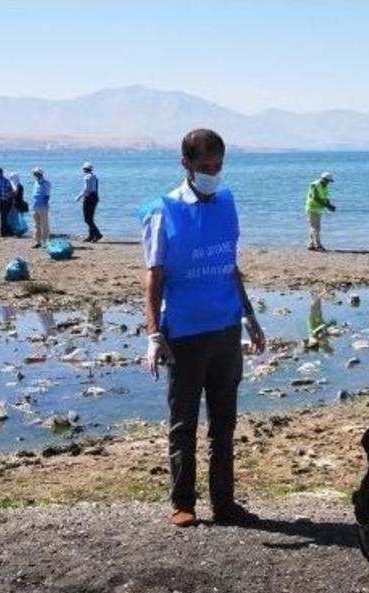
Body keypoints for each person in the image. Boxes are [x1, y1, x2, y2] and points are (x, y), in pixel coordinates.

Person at [139, 128, 266, 528]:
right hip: (185, 334)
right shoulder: (164, 211)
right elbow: (153, 278)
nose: (213, 173)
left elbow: (230, 266)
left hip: (225, 328)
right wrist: (154, 334)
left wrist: (250, 316)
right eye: (205, 166)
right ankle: (183, 502)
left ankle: (224, 502)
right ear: (186, 165)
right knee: (184, 422)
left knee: (224, 423)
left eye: (219, 166)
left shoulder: (226, 203)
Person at [304, 171, 336, 251]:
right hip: (312, 208)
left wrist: (329, 205)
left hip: (318, 209)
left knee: (314, 227)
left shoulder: (325, 186)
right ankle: (318, 246)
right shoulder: (315, 185)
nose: (329, 183)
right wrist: (327, 206)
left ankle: (310, 245)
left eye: (330, 182)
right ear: (323, 179)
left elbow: (326, 197)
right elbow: (315, 198)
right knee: (316, 228)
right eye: (328, 181)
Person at [75, 161, 102, 241]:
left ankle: (98, 234)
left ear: (84, 169)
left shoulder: (86, 177)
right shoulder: (94, 177)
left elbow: (86, 189)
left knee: (87, 219)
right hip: (95, 197)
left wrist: (79, 197)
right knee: (90, 218)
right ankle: (91, 236)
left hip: (89, 198)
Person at [31, 167, 51, 248]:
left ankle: (45, 242)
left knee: (44, 225)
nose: (34, 175)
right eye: (34, 174)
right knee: (36, 225)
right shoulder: (35, 182)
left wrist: (44, 205)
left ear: (39, 174)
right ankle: (37, 241)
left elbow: (47, 195)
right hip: (35, 206)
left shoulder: (46, 183)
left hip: (42, 206)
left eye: (35, 173)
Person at [7, 172, 29, 237]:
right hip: (12, 204)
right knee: (12, 218)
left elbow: (17, 195)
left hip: (17, 205)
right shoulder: (11, 185)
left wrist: (11, 193)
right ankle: (13, 231)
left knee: (17, 219)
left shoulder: (19, 186)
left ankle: (18, 231)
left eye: (11, 177)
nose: (10, 179)